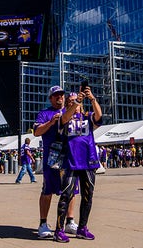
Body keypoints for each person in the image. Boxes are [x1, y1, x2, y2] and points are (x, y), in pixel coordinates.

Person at [53, 89, 102, 242]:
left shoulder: (88, 117)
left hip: (88, 161)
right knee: (66, 195)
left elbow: (99, 117)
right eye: (71, 101)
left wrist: (92, 99)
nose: (75, 102)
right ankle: (59, 229)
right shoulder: (64, 118)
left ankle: (82, 227)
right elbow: (66, 117)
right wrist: (76, 103)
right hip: (70, 162)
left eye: (77, 101)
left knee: (88, 196)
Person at [33, 85, 78, 238]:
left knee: (71, 190)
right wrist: (51, 122)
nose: (60, 97)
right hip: (51, 158)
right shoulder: (44, 113)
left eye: (61, 95)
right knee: (47, 191)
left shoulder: (70, 111)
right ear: (50, 98)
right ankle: (43, 223)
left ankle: (69, 221)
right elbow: (36, 132)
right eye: (56, 95)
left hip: (69, 157)